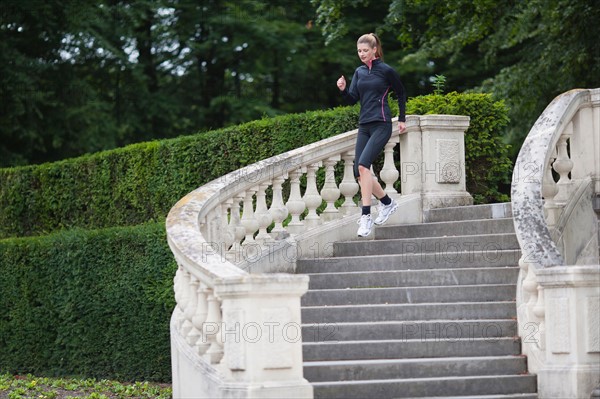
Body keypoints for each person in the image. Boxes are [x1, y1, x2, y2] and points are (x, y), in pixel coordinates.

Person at [337, 32, 407, 237]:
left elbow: (401, 93)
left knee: (362, 165)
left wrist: (402, 119)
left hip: (382, 124)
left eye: (365, 50)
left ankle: (366, 216)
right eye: (359, 51)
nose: (361, 54)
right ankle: (387, 203)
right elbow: (352, 99)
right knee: (360, 173)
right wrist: (342, 90)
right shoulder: (358, 72)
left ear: (374, 50)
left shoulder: (386, 70)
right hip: (365, 126)